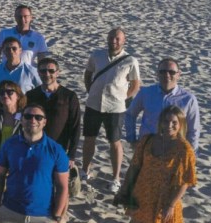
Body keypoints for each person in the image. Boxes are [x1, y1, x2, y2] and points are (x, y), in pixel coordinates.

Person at [115, 106, 196, 223]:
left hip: (167, 200)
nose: (169, 125)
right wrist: (125, 190)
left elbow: (186, 181)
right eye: (166, 121)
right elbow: (135, 166)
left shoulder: (184, 148)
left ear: (180, 125)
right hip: (143, 193)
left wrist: (171, 205)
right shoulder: (147, 140)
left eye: (174, 122)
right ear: (160, 122)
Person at [82, 27, 141, 193]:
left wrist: (123, 98)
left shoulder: (130, 61)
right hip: (93, 104)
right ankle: (85, 170)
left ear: (124, 41)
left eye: (117, 39)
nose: (114, 41)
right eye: (111, 38)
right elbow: (88, 74)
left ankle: (116, 179)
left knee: (114, 141)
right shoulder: (97, 55)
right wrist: (90, 90)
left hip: (115, 107)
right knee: (89, 138)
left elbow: (135, 84)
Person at [26, 57, 81, 201]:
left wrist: (72, 155)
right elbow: (24, 123)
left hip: (59, 149)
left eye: (51, 71)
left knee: (62, 189)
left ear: (58, 73)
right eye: (43, 71)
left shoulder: (69, 96)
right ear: (38, 72)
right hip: (35, 148)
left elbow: (75, 127)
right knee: (39, 185)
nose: (47, 74)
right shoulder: (31, 95)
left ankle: (60, 214)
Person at [126, 58, 200, 151]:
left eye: (171, 72)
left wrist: (191, 152)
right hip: (147, 147)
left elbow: (193, 129)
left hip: (175, 149)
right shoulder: (146, 93)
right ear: (157, 73)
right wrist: (132, 139)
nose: (167, 75)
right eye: (163, 71)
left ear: (178, 74)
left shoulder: (188, 99)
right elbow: (130, 114)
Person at [0, 36, 39, 109]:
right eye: (7, 49)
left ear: (20, 50)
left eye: (14, 48)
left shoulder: (31, 71)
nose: (11, 51)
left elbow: (40, 91)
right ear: (3, 51)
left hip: (22, 111)